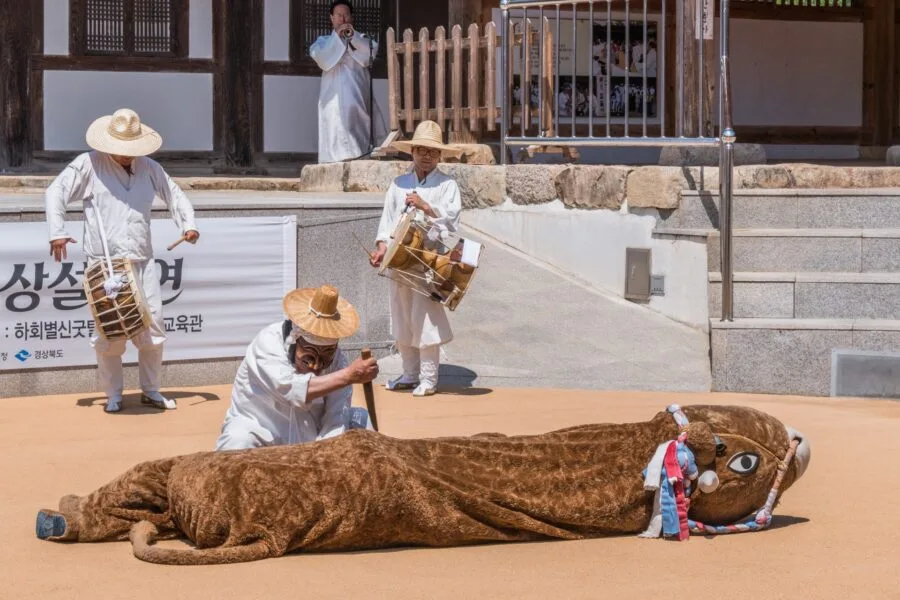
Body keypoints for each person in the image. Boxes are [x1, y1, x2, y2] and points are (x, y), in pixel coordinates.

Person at [45, 108, 199, 414]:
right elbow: (56, 192)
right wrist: (57, 232)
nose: (127, 156)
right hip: (105, 264)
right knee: (109, 332)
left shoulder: (149, 167)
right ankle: (113, 393)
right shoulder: (88, 164)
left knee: (153, 327)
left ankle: (151, 390)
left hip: (142, 260)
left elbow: (175, 194)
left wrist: (188, 224)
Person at [215, 285, 379, 450]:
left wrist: (326, 453)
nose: (315, 367)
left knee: (361, 421)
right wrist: (349, 376)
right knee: (237, 441)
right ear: (294, 341)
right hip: (263, 429)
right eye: (308, 359)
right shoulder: (268, 343)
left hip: (312, 436)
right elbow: (290, 389)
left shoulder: (338, 362)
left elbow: (336, 416)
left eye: (324, 359)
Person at [368, 121, 462, 397]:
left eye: (433, 152)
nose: (427, 156)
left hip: (428, 260)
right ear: (413, 151)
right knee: (402, 317)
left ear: (440, 156)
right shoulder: (399, 184)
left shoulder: (447, 185)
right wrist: (381, 247)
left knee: (426, 319)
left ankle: (429, 378)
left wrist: (424, 206)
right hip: (399, 260)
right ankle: (409, 373)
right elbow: (387, 222)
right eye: (422, 150)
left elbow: (452, 223)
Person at [310, 0, 386, 163]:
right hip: (332, 94)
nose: (342, 19)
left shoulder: (362, 38)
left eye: (346, 15)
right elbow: (323, 60)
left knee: (359, 121)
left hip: (357, 91)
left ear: (351, 17)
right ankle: (333, 161)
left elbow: (369, 56)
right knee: (334, 122)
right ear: (331, 18)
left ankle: (360, 156)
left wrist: (352, 38)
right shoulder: (322, 42)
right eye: (338, 15)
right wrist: (337, 38)